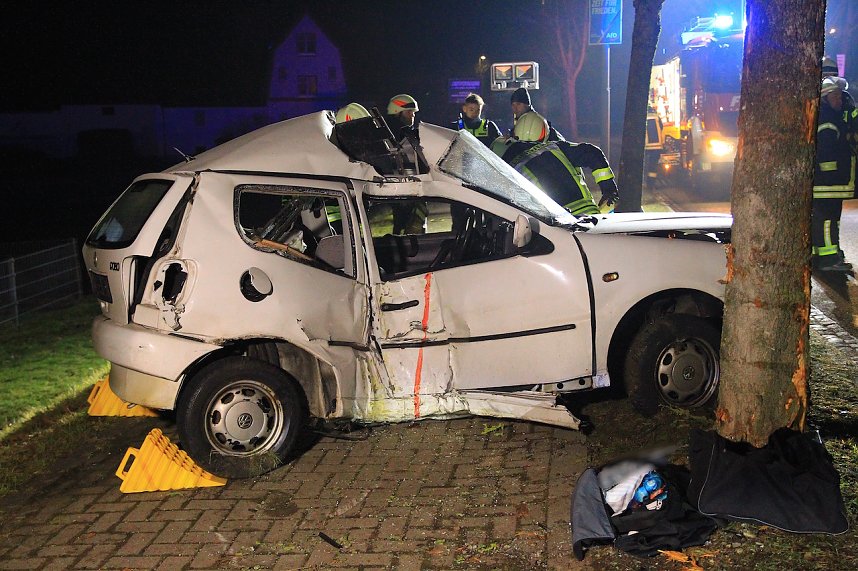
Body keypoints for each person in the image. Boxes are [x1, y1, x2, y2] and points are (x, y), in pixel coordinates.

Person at [492, 112, 618, 216]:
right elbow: (593, 153)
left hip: (553, 227)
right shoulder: (556, 147)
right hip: (589, 218)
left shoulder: (510, 165)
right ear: (545, 134)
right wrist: (608, 188)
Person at [812, 77, 854, 272]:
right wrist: (831, 174)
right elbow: (826, 152)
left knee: (825, 219)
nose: (839, 101)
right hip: (827, 183)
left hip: (827, 183)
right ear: (825, 99)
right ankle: (828, 259)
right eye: (835, 97)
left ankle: (825, 254)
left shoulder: (828, 117)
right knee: (828, 219)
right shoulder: (828, 121)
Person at [386, 94, 427, 233]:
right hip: (404, 191)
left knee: (407, 226)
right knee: (411, 229)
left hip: (412, 188)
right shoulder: (394, 135)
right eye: (409, 112)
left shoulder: (408, 133)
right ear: (397, 112)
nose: (413, 115)